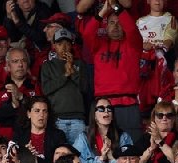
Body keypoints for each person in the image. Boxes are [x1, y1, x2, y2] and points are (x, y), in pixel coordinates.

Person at [81, 1, 143, 141]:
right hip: (104, 105)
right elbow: (87, 33)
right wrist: (102, 12)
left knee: (133, 148)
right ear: (106, 26)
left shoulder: (133, 44)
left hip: (128, 104)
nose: (115, 26)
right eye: (111, 22)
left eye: (119, 22)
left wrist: (117, 7)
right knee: (106, 148)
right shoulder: (98, 45)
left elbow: (132, 29)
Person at [39, 30, 90, 145]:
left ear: (72, 45)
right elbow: (46, 89)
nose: (64, 47)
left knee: (79, 154)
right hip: (57, 119)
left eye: (67, 43)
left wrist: (72, 69)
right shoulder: (48, 65)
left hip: (77, 119)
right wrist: (65, 75)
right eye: (60, 44)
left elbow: (84, 88)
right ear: (54, 46)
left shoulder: (79, 64)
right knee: (59, 154)